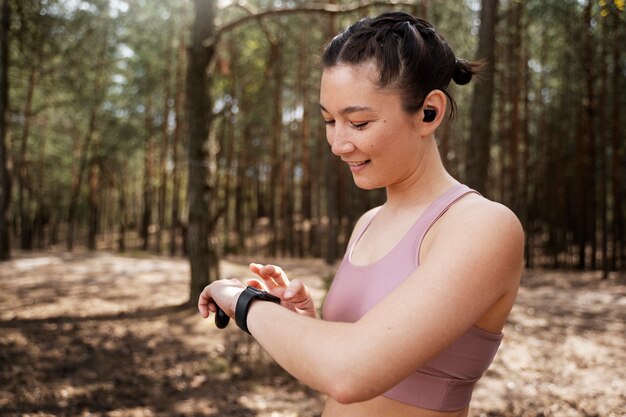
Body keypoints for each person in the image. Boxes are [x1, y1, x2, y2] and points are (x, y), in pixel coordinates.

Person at [198, 11, 524, 417]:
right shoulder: (367, 224)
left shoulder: (483, 226)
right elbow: (345, 381)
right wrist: (304, 326)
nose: (338, 143)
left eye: (358, 122)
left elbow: (349, 374)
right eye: (329, 121)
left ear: (429, 113)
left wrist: (242, 302)